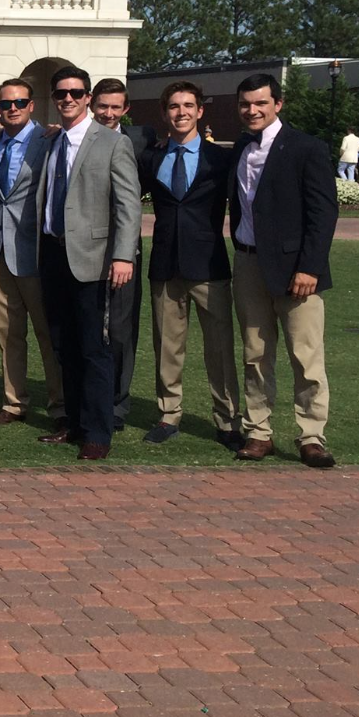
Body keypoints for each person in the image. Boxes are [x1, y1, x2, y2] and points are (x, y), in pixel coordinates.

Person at [33, 66, 142, 461]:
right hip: (53, 253)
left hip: (94, 259)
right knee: (64, 344)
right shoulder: (52, 141)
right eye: (61, 93)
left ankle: (98, 431)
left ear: (87, 96)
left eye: (76, 93)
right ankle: (75, 423)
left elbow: (128, 204)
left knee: (94, 346)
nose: (68, 99)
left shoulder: (111, 143)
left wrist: (122, 255)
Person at [228, 73, 336, 468]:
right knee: (255, 354)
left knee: (306, 357)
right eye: (245, 103)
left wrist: (310, 267)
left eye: (260, 102)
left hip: (296, 271)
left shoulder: (306, 148)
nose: (252, 110)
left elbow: (323, 213)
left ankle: (311, 435)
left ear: (278, 103)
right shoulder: (241, 146)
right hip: (248, 262)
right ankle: (258, 431)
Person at [139, 81, 239, 449]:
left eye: (188, 106)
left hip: (210, 264)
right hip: (165, 264)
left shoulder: (221, 159)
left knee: (220, 348)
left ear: (200, 111)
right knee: (167, 345)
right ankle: (168, 414)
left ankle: (227, 420)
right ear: (165, 113)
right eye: (173, 107)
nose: (180, 112)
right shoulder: (153, 157)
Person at [0, 79, 64, 428]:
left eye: (19, 102)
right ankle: (14, 402)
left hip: (35, 252)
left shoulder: (48, 141)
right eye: (5, 103)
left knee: (47, 332)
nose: (12, 108)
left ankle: (60, 403)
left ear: (32, 105)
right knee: (8, 333)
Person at [90, 77, 154, 433]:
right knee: (87, 325)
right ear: (92, 105)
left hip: (123, 250)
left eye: (116, 107)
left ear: (126, 109)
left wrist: (126, 253)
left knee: (119, 329)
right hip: (83, 248)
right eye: (103, 106)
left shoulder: (141, 140)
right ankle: (87, 398)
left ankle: (117, 402)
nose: (109, 113)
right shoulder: (76, 137)